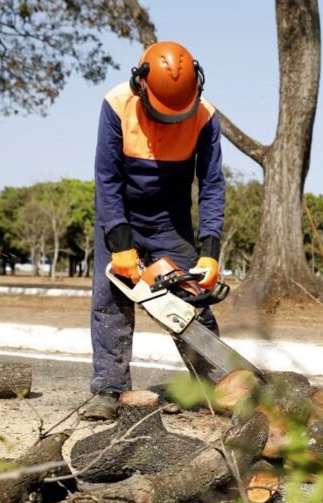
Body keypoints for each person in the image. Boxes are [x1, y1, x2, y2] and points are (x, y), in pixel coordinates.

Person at [83, 41, 225, 420]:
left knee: (191, 299)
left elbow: (211, 184)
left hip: (169, 220)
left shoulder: (206, 116)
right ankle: (109, 388)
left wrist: (210, 249)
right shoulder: (116, 104)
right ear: (140, 85)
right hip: (121, 213)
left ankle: (217, 388)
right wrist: (120, 242)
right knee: (110, 302)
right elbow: (107, 179)